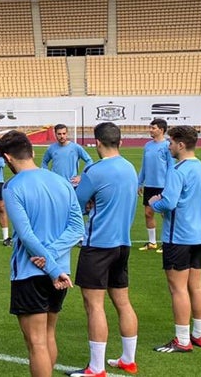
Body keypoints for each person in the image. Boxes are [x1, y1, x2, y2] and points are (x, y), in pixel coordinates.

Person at [0, 130, 85, 377]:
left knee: (36, 343)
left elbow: (25, 235)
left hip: (32, 271)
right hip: (60, 271)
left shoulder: (12, 187)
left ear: (7, 158)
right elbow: (77, 228)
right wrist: (54, 259)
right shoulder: (61, 181)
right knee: (48, 336)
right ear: (33, 152)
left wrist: (48, 263)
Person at [69, 123, 139, 377]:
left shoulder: (95, 170)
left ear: (97, 143)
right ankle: (128, 360)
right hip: (123, 243)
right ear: (119, 142)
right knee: (122, 302)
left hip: (98, 244)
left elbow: (77, 203)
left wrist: (88, 201)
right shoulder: (130, 168)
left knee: (94, 305)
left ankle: (96, 368)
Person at [149, 125, 201, 354]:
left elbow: (168, 203)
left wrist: (155, 202)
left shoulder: (178, 170)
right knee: (196, 284)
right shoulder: (200, 167)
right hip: (198, 235)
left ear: (181, 144)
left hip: (179, 236)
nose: (169, 146)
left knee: (178, 288)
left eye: (171, 142)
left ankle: (182, 339)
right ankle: (198, 334)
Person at [137, 118, 172, 252]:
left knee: (165, 214)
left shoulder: (167, 146)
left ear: (161, 130)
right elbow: (144, 166)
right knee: (148, 213)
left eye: (153, 128)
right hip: (149, 185)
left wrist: (170, 184)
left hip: (163, 185)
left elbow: (171, 166)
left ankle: (167, 242)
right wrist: (140, 182)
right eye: (150, 127)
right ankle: (152, 242)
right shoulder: (148, 145)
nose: (150, 130)